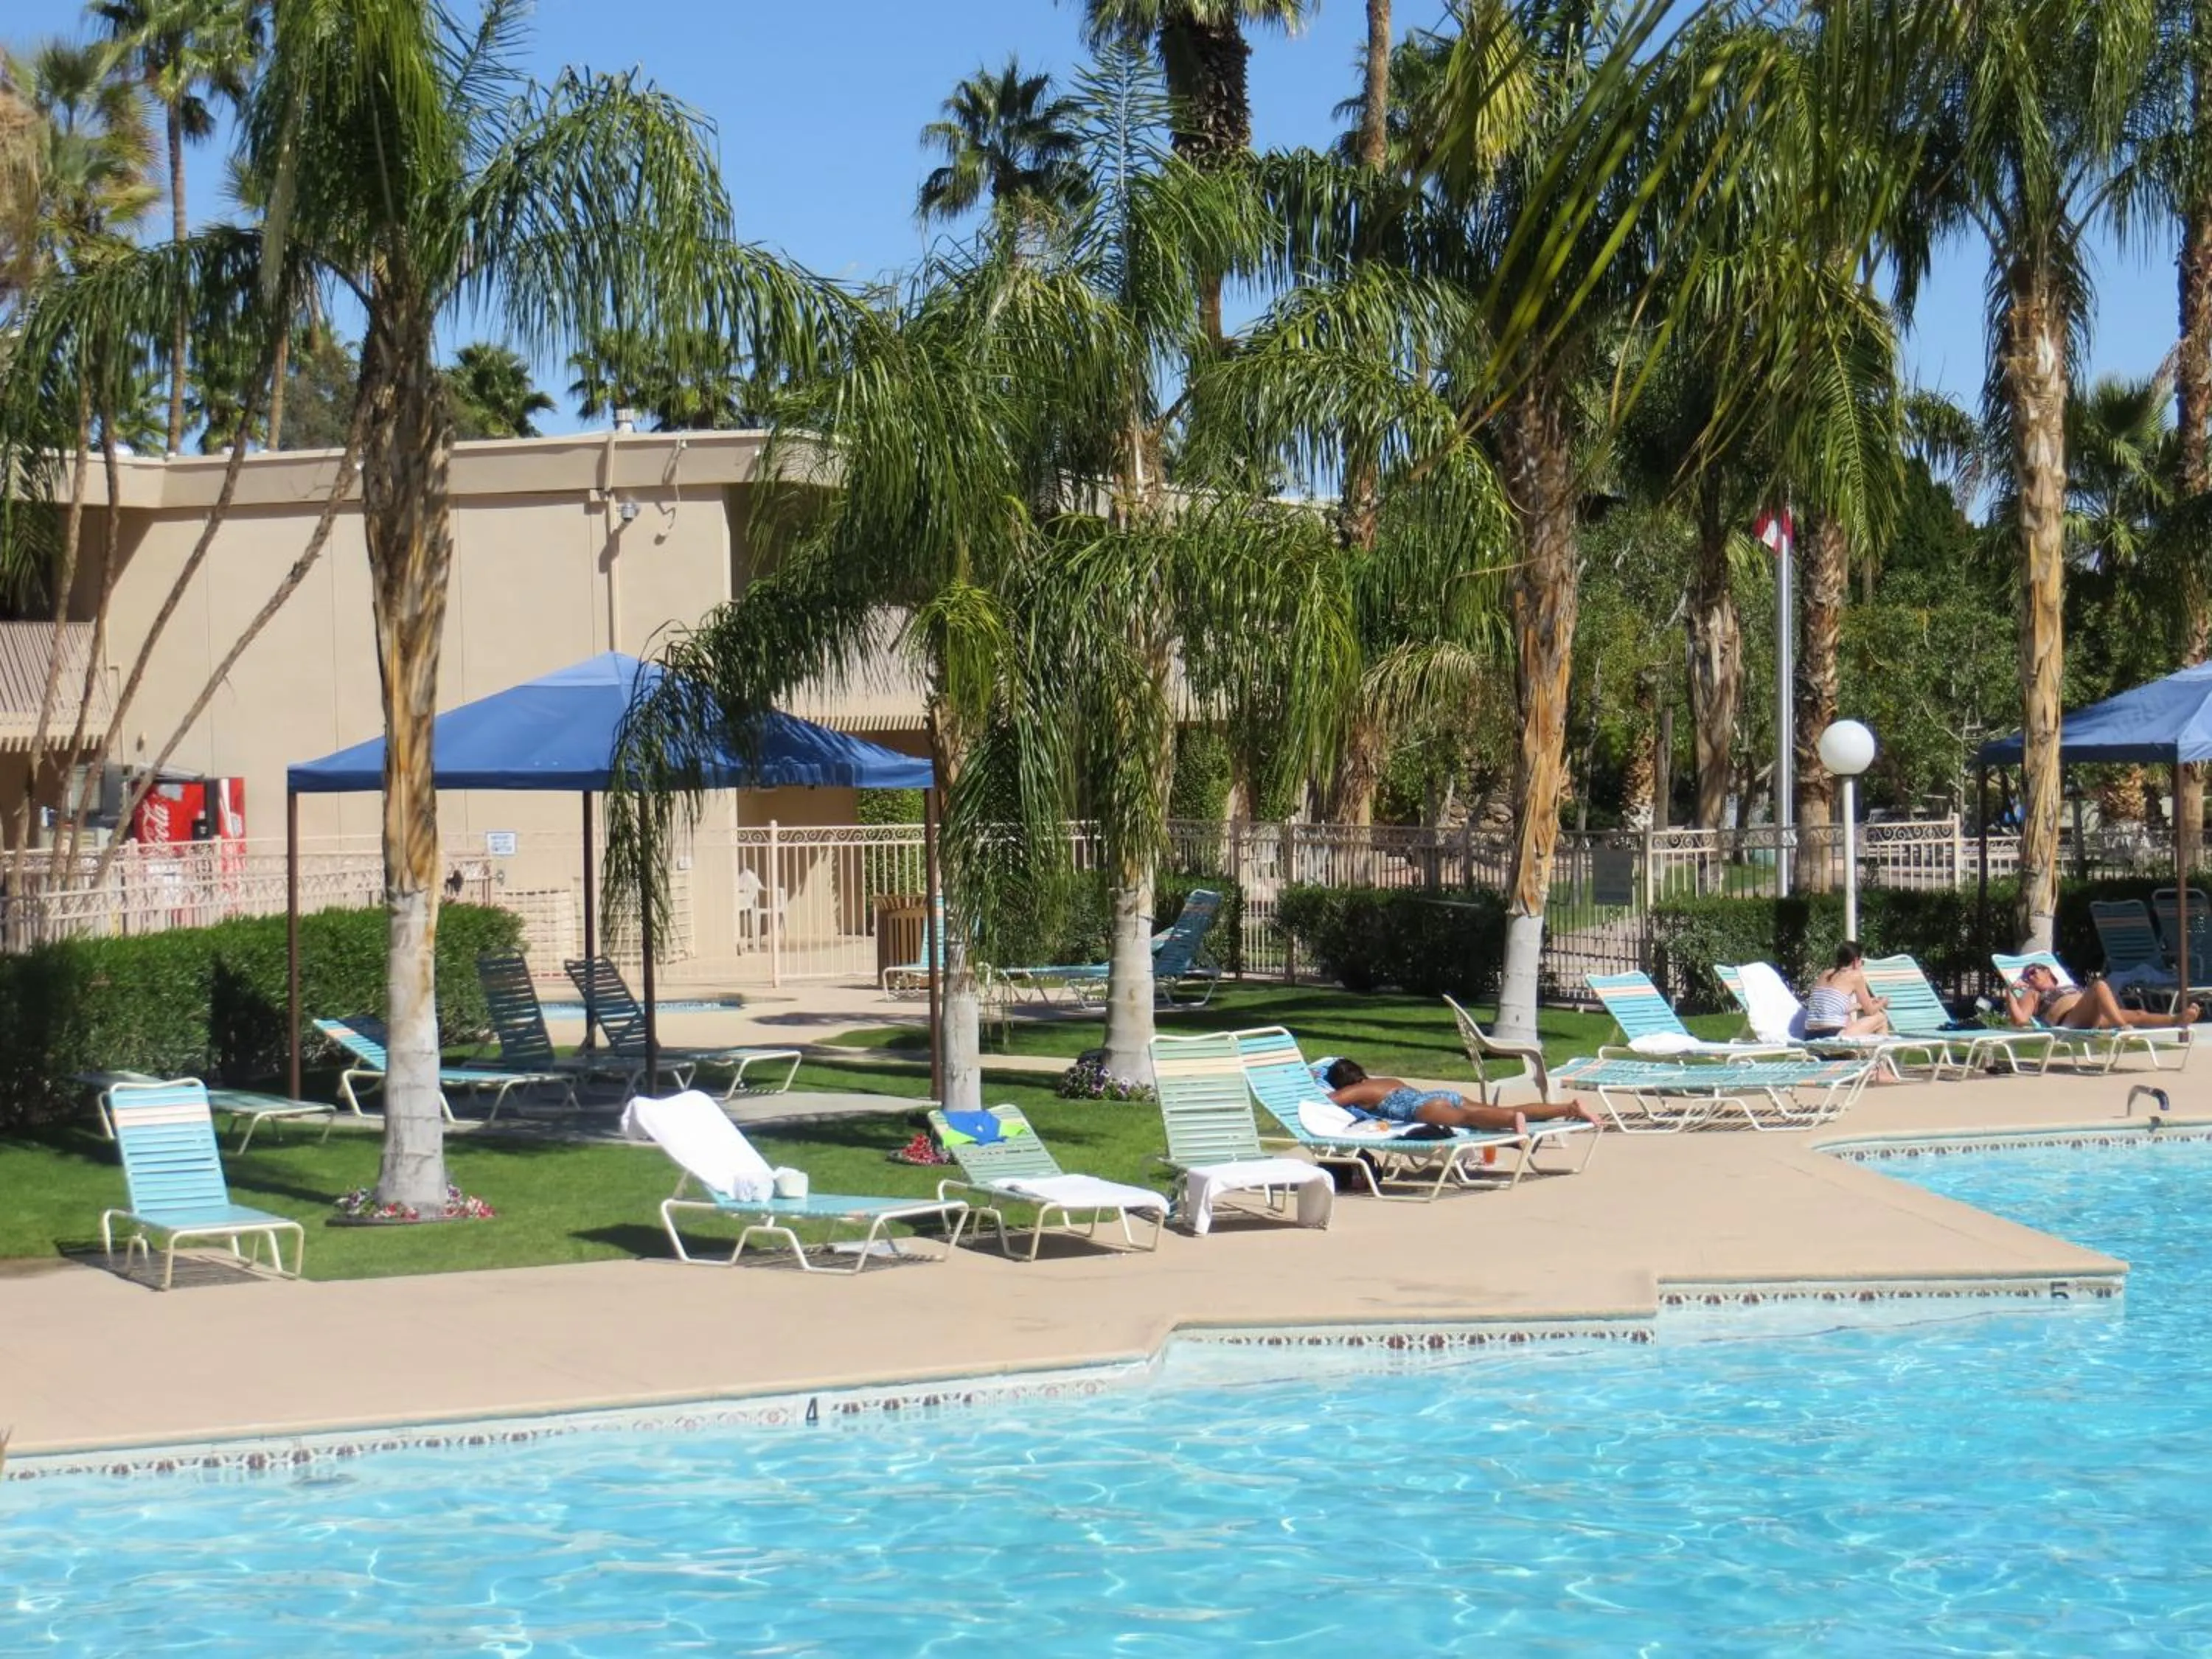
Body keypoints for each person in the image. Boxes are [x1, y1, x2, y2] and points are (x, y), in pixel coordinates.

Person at [1318, 1058, 1601, 1135]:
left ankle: (1511, 1121)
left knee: (1470, 1119)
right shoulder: (1386, 1081)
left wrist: (1319, 1086)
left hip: (1422, 1108)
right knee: (1495, 1109)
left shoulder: (1356, 1090)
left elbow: (1326, 1103)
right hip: (1440, 1096)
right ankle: (1568, 1108)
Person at [2003, 961, 2197, 1031]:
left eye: (2034, 971)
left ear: (2047, 971)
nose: (2032, 976)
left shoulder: (2068, 985)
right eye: (2027, 976)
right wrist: (2010, 992)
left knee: (2138, 1014)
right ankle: (2121, 1027)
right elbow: (2020, 1021)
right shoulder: (2033, 993)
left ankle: (2176, 1020)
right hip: (2069, 1020)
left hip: (2092, 1014)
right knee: (2100, 986)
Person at [1804, 942, 1890, 1037]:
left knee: (1848, 1020)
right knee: (1880, 1018)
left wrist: (1862, 1004)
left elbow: (1833, 1009)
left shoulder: (1825, 974)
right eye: (1862, 962)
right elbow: (1870, 1011)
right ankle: (1884, 1047)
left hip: (1810, 1035)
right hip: (1834, 1035)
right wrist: (1883, 1002)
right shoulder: (1855, 976)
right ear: (1855, 961)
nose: (1861, 965)